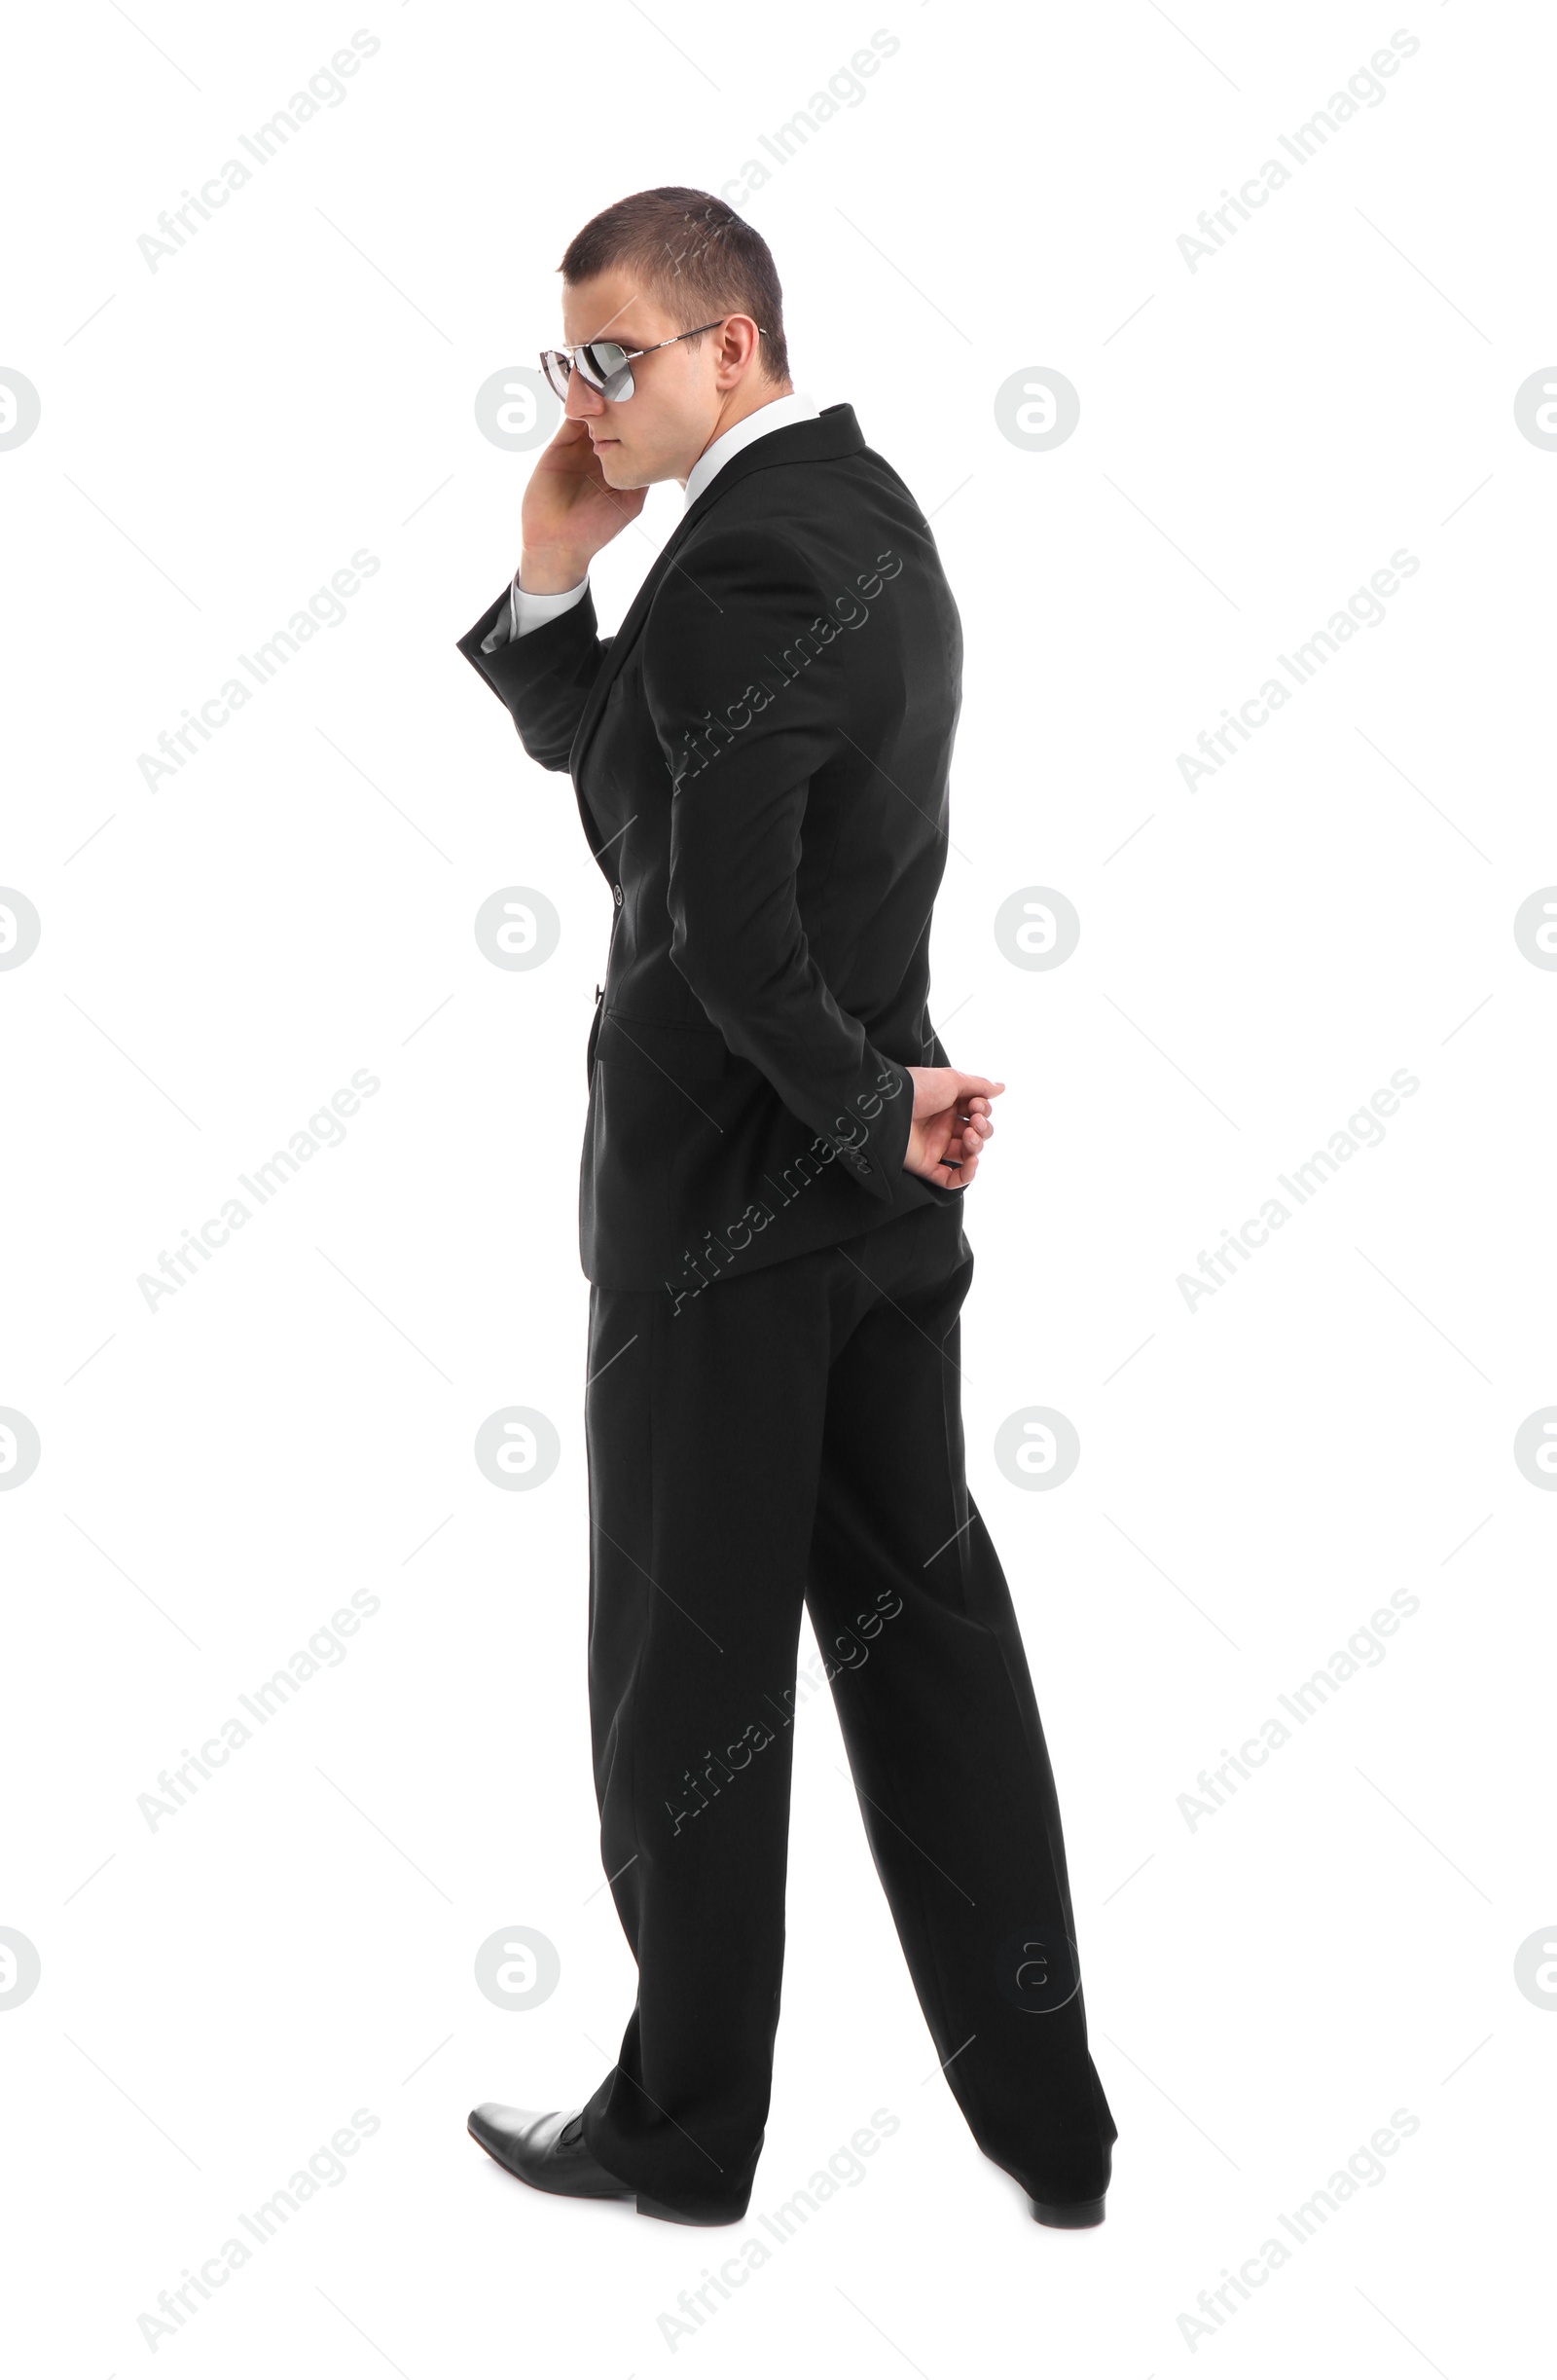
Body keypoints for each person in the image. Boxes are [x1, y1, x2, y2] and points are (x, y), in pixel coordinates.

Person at [457, 186, 1116, 2229]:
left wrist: (868, 1113)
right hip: (861, 1221)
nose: (585, 400)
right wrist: (553, 584)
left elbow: (731, 950)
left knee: (686, 1687)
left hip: (732, 1222)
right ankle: (1051, 2128)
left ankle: (681, 2124)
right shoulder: (850, 515)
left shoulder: (743, 569)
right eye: (569, 360)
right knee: (928, 1649)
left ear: (726, 344)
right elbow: (655, 779)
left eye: (616, 357)